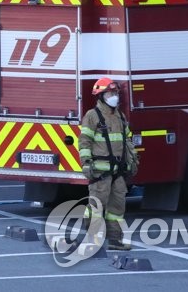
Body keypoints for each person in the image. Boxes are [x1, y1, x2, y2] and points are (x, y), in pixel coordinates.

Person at [78, 77, 138, 251]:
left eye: (116, 93)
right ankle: (92, 239)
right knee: (97, 206)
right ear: (102, 95)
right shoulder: (92, 116)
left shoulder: (119, 116)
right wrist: (87, 163)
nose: (115, 97)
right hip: (100, 172)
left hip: (118, 172)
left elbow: (127, 141)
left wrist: (132, 160)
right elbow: (84, 142)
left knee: (117, 209)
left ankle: (115, 240)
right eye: (111, 93)